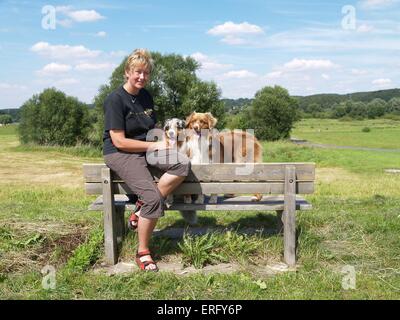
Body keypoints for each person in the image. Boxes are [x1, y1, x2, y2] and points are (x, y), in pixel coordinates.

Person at [103, 49, 190, 271]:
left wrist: (163, 138)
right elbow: (120, 142)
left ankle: (140, 208)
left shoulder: (146, 96)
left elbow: (150, 127)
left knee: (182, 163)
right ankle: (143, 251)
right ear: (127, 72)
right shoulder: (115, 100)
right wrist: (153, 145)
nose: (142, 77)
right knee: (153, 198)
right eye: (137, 72)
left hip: (146, 147)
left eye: (146, 73)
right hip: (120, 153)